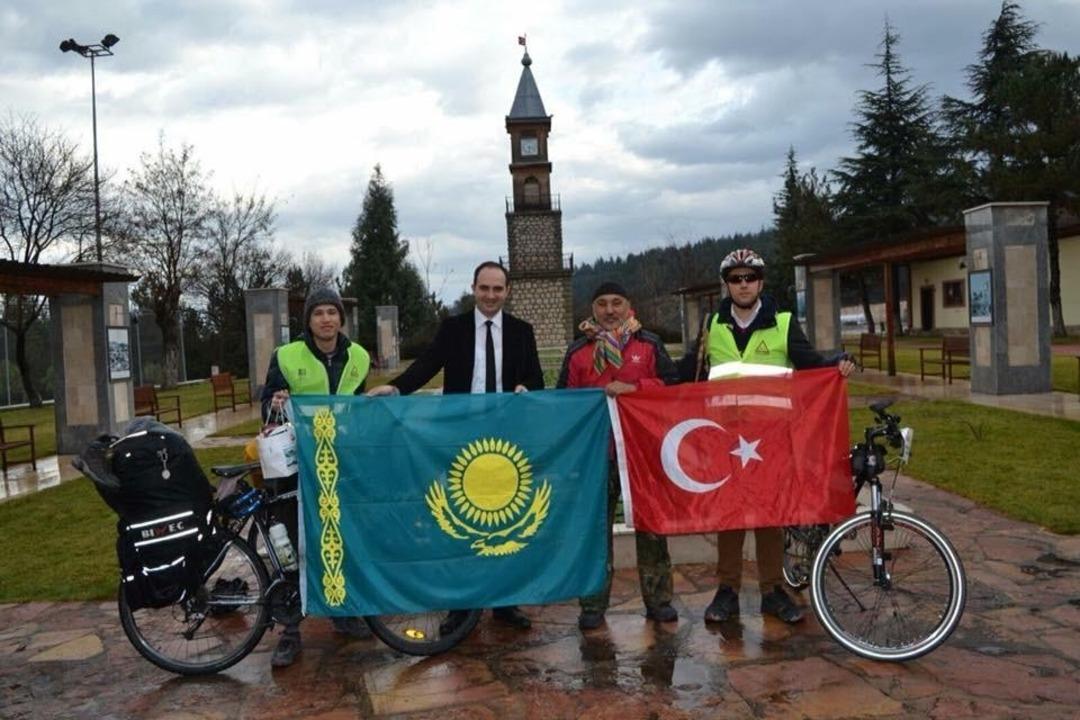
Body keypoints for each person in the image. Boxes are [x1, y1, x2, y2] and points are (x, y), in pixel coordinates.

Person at [678, 248, 856, 624]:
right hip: (724, 437)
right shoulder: (713, 325)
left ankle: (773, 590)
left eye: (750, 278)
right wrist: (639, 387)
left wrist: (836, 362)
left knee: (770, 515)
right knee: (730, 515)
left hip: (771, 438)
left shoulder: (783, 322)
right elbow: (684, 372)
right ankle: (727, 590)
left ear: (761, 282)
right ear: (726, 285)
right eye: (735, 279)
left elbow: (810, 364)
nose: (743, 285)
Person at [368, 260, 544, 630]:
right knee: (461, 520)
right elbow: (427, 365)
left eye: (498, 289)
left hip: (505, 445)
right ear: (474, 288)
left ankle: (504, 602)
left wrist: (527, 390)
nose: (491, 295)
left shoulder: (522, 332)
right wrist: (397, 387)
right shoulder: (454, 329)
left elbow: (536, 379)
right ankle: (461, 606)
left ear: (507, 292)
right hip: (459, 441)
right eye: (485, 288)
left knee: (504, 519)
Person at [260, 286, 373, 668]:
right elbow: (267, 405)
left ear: (342, 318)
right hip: (296, 468)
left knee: (338, 539)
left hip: (339, 463)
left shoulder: (358, 356)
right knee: (294, 547)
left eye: (332, 312)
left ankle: (341, 611)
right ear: (307, 320)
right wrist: (274, 402)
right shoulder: (287, 356)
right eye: (318, 313)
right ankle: (290, 629)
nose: (326, 319)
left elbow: (359, 405)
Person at [556, 281, 679, 631]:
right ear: (592, 309)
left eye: (616, 303)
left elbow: (672, 387)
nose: (609, 311)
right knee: (595, 531)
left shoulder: (648, 344)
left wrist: (636, 389)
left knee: (652, 529)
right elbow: (563, 400)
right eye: (602, 304)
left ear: (628, 306)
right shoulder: (579, 351)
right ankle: (592, 603)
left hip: (643, 453)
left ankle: (659, 600)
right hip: (597, 454)